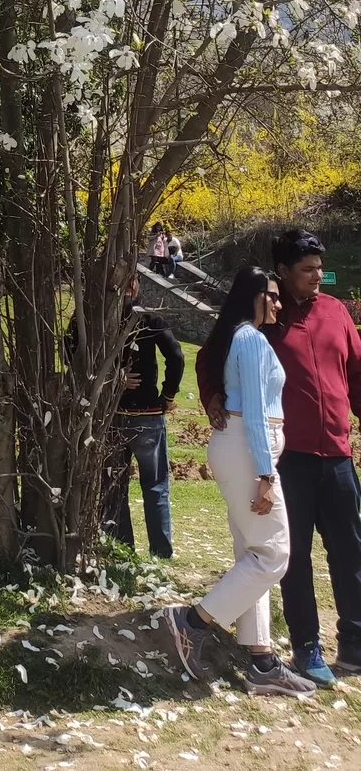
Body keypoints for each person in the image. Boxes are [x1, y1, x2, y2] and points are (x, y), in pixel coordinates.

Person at [197, 229, 361, 686]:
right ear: (283, 272)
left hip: (339, 454)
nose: (315, 278)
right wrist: (212, 398)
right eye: (305, 270)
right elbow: (212, 354)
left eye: (318, 269)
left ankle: (355, 642)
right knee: (294, 556)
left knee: (351, 550)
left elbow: (358, 374)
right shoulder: (265, 317)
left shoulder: (336, 312)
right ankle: (307, 646)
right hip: (288, 459)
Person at [164, 267, 313, 696]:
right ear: (254, 297)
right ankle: (193, 622)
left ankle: (262, 662)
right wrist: (266, 474)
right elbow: (252, 412)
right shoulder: (249, 339)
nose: (279, 303)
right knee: (274, 554)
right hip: (249, 450)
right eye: (272, 296)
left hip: (241, 447)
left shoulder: (239, 337)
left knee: (253, 552)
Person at [100, 274, 184, 559]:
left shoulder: (99, 318)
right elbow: (176, 356)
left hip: (112, 415)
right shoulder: (149, 318)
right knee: (155, 484)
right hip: (145, 414)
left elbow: (71, 348)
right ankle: (160, 552)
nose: (129, 286)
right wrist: (168, 396)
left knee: (113, 483)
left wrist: (110, 376)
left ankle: (120, 548)